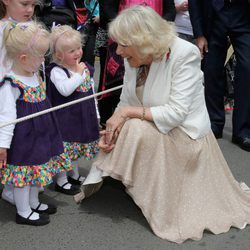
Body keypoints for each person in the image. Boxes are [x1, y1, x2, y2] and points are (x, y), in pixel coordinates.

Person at [74, 5, 250, 243]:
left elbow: (175, 114)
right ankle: (134, 183)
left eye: (124, 44)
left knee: (133, 124)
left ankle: (154, 193)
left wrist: (126, 114)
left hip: (186, 135)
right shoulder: (134, 56)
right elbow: (126, 100)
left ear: (143, 41)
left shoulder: (185, 53)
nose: (119, 51)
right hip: (159, 126)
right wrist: (113, 126)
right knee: (123, 123)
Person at [0, 21, 72, 225]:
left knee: (35, 173)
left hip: (40, 136)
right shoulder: (11, 84)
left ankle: (33, 202)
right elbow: (5, 118)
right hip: (24, 141)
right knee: (24, 177)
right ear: (23, 58)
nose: (43, 60)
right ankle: (23, 211)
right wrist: (3, 146)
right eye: (40, 56)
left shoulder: (33, 74)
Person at [188, 0, 250, 151]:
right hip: (213, 15)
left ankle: (243, 131)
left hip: (243, 13)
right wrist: (199, 34)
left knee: (248, 68)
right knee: (212, 71)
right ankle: (214, 124)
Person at [46, 25, 99, 195]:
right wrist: (77, 73)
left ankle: (74, 175)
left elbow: (91, 91)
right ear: (59, 54)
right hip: (65, 120)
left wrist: (96, 113)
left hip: (82, 116)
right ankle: (61, 180)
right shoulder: (57, 71)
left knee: (75, 150)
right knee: (65, 151)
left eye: (79, 48)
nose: (77, 53)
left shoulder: (85, 68)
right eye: (71, 51)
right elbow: (65, 90)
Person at [0, 0, 38, 205]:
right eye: (24, 3)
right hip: (6, 97)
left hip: (27, 98)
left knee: (22, 144)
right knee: (8, 143)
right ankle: (11, 188)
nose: (30, 9)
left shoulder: (30, 27)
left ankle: (16, 188)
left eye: (33, 4)